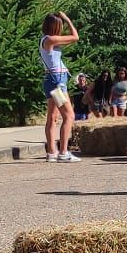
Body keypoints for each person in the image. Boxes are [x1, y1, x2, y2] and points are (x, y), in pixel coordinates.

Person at [41, 11, 80, 161]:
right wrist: (68, 19)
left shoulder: (45, 39)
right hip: (57, 82)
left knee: (52, 117)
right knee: (69, 116)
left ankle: (52, 152)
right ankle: (63, 152)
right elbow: (75, 37)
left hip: (51, 81)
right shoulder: (51, 39)